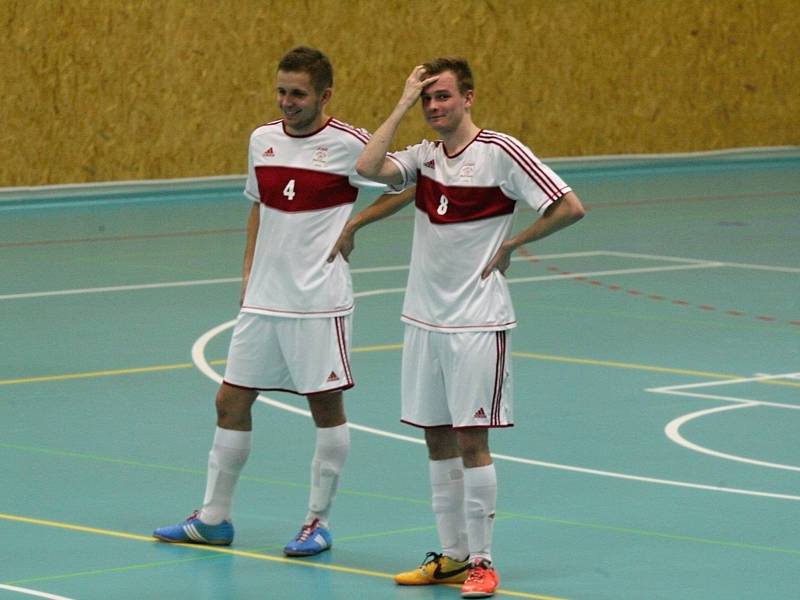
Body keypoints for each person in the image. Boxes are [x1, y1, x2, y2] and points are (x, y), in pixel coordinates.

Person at [331, 57, 585, 597]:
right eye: (426, 99)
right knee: (436, 438)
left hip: (477, 321)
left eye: (442, 96)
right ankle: (450, 555)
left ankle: (483, 562)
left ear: (468, 97)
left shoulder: (500, 152)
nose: (433, 107)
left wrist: (515, 243)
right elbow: (368, 168)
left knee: (472, 439)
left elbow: (569, 207)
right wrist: (401, 101)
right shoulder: (423, 158)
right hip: (424, 320)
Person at [153, 46, 411, 557]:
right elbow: (258, 205)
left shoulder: (351, 146)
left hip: (319, 301)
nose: (287, 102)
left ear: (324, 95)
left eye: (298, 94)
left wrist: (356, 222)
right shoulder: (262, 139)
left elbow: (409, 183)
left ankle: (317, 522)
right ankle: (213, 519)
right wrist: (248, 269)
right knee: (230, 399)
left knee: (325, 404)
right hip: (263, 299)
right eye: (281, 91)